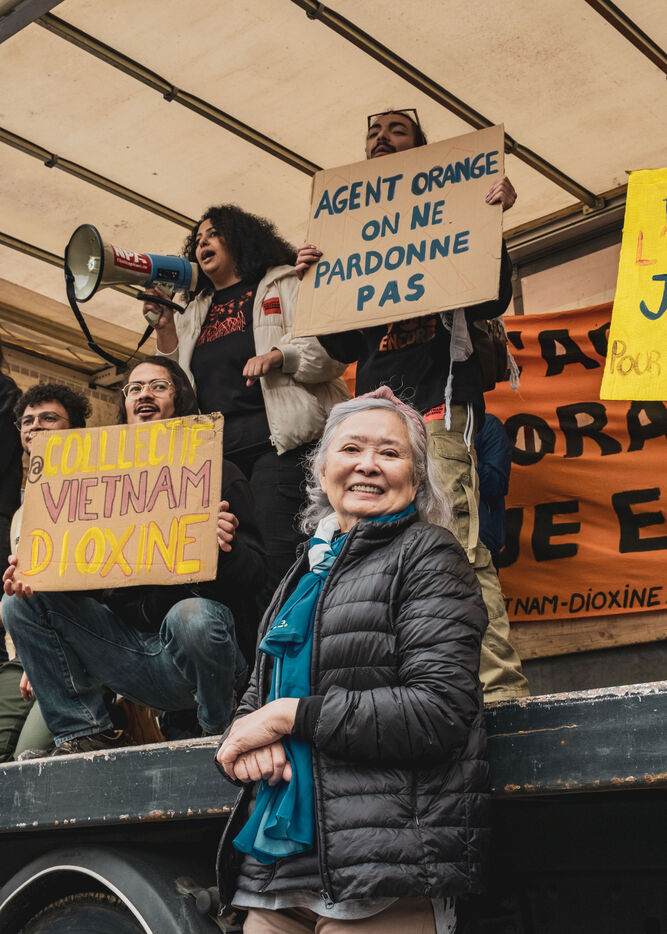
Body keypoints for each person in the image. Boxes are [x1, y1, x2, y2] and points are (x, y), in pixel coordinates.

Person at [215, 386, 489, 934]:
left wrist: (287, 717)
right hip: (278, 873)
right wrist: (244, 744)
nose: (368, 464)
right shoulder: (304, 571)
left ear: (417, 477)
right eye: (351, 449)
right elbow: (258, 697)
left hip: (382, 869)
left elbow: (438, 710)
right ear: (322, 473)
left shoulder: (428, 554)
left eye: (390, 452)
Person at [296, 109, 528, 701]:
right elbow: (342, 347)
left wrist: (489, 223)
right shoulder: (350, 231)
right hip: (378, 415)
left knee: (457, 541)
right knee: (380, 547)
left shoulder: (453, 207)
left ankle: (498, 692)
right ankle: (420, 684)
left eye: (397, 130)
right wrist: (314, 284)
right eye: (372, 132)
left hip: (438, 405)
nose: (381, 138)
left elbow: (490, 299)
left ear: (422, 148)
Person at [2, 358, 265, 756]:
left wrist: (226, 550)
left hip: (203, 657)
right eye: (135, 388)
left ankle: (216, 731)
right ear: (124, 404)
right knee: (19, 603)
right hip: (130, 657)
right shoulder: (94, 484)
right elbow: (89, 590)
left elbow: (258, 576)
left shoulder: (219, 473)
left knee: (191, 616)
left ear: (180, 398)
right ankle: (83, 733)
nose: (145, 394)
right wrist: (39, 580)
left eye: (158, 386)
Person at [144, 205, 349, 598]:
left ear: (239, 239)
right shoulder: (194, 310)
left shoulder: (284, 282)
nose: (202, 243)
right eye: (197, 239)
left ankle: (277, 637)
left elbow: (331, 356)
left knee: (276, 560)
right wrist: (166, 329)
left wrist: (280, 356)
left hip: (281, 448)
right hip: (220, 461)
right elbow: (175, 386)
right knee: (228, 560)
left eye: (213, 234)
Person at [0, 381, 91, 761]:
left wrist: (44, 655)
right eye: (27, 421)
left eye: (49, 418)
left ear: (76, 429)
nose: (35, 425)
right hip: (23, 655)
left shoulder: (97, 493)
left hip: (79, 653)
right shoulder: (21, 514)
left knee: (27, 760)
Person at [474, 412, 513, 567]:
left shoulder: (486, 424)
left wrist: (462, 457)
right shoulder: (418, 421)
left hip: (480, 545)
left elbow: (497, 484)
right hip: (432, 545)